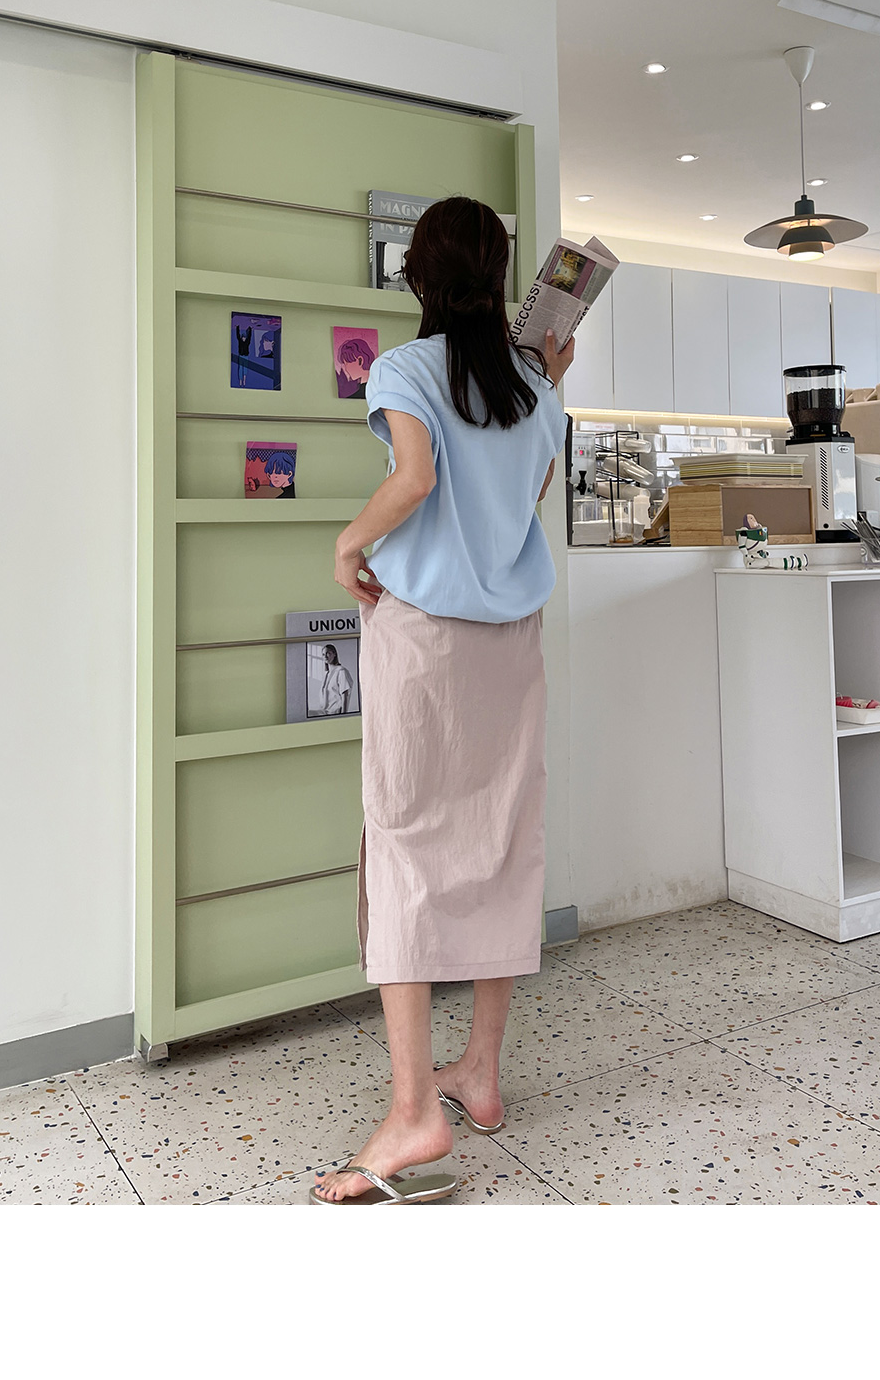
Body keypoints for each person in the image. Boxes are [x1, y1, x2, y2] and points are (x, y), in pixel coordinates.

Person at [311, 196, 573, 1206]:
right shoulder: (536, 384)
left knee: (408, 843)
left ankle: (415, 1108)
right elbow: (523, 502)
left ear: (418, 275)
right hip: (513, 640)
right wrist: (549, 383)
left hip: (424, 639)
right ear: (502, 277)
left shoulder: (403, 369)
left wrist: (347, 543)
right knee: (502, 837)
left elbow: (414, 479)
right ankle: (483, 1072)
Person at [319, 643, 353, 715]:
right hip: (325, 712)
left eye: (328, 653)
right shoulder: (326, 674)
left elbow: (345, 695)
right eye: (323, 654)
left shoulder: (341, 671)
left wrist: (343, 715)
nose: (325, 656)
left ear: (334, 654)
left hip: (335, 711)